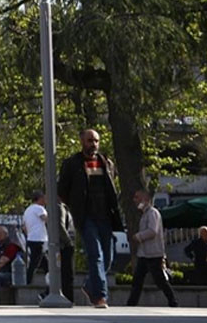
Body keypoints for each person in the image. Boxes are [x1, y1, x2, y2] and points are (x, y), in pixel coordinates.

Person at [57, 129, 125, 309]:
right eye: (89, 140)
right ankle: (101, 296)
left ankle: (89, 285)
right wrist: (75, 206)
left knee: (108, 258)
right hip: (86, 217)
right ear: (82, 141)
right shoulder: (72, 164)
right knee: (95, 255)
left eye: (96, 141)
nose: (93, 144)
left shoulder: (107, 164)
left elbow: (112, 189)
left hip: (105, 216)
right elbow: (62, 190)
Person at [127, 191, 178, 307]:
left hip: (154, 254)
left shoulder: (152, 213)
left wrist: (138, 236)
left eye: (137, 197)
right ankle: (131, 303)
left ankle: (173, 301)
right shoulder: (145, 214)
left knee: (159, 280)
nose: (135, 200)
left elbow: (152, 231)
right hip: (144, 254)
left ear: (145, 199)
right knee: (137, 280)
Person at [22, 192, 48, 284]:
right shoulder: (39, 208)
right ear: (39, 199)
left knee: (46, 265)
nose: (46, 201)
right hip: (39, 239)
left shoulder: (27, 210)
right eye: (44, 198)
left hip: (31, 238)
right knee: (34, 263)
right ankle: (28, 282)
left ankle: (50, 286)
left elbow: (24, 227)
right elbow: (47, 219)